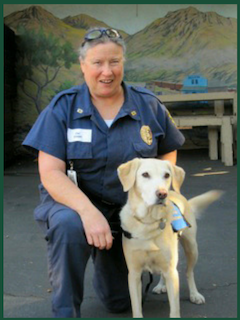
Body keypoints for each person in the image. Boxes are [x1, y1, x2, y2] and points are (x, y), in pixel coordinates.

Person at [23, 27, 185, 318]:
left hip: (127, 212)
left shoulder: (147, 105)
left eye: (115, 62)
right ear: (83, 66)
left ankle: (114, 266)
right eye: (97, 63)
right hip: (74, 205)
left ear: (123, 62)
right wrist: (88, 213)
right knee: (67, 226)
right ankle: (65, 311)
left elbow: (167, 152)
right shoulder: (63, 108)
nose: (107, 72)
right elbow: (50, 173)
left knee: (120, 302)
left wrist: (162, 192)